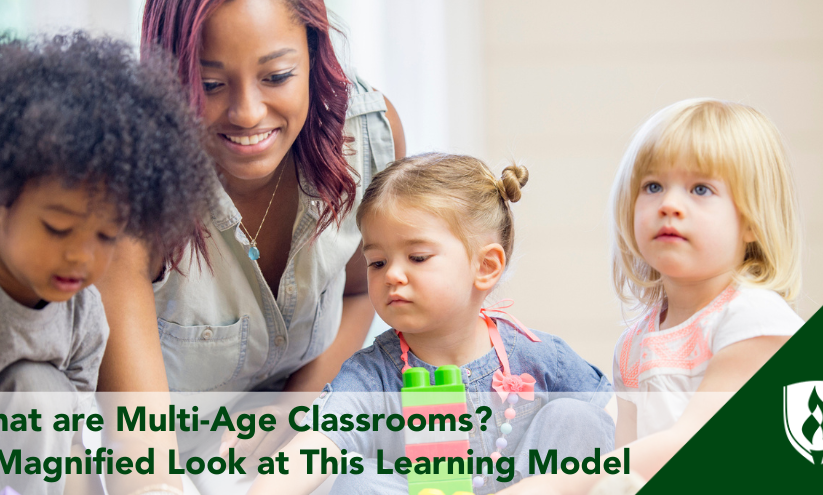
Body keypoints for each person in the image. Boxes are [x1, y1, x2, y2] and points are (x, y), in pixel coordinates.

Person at [96, 0, 404, 492]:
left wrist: (294, 411)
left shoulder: (365, 135)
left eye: (277, 76)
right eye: (210, 84)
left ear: (314, 54)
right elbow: (144, 472)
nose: (247, 112)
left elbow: (357, 293)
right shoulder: (125, 192)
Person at [0, 33, 213, 495]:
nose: (81, 256)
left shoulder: (83, 318)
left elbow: (68, 453)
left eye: (105, 237)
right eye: (58, 228)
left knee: (42, 390)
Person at [249, 153, 614, 495]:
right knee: (353, 481)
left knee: (578, 418)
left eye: (417, 257)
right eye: (376, 262)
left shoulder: (540, 356)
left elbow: (617, 422)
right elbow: (314, 448)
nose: (392, 274)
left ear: (485, 266)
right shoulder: (372, 376)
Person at [498, 98, 804, 494]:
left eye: (701, 189)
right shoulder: (635, 344)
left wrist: (551, 486)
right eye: (653, 186)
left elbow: (688, 443)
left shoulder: (754, 320)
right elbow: (626, 464)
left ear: (752, 221)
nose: (670, 205)